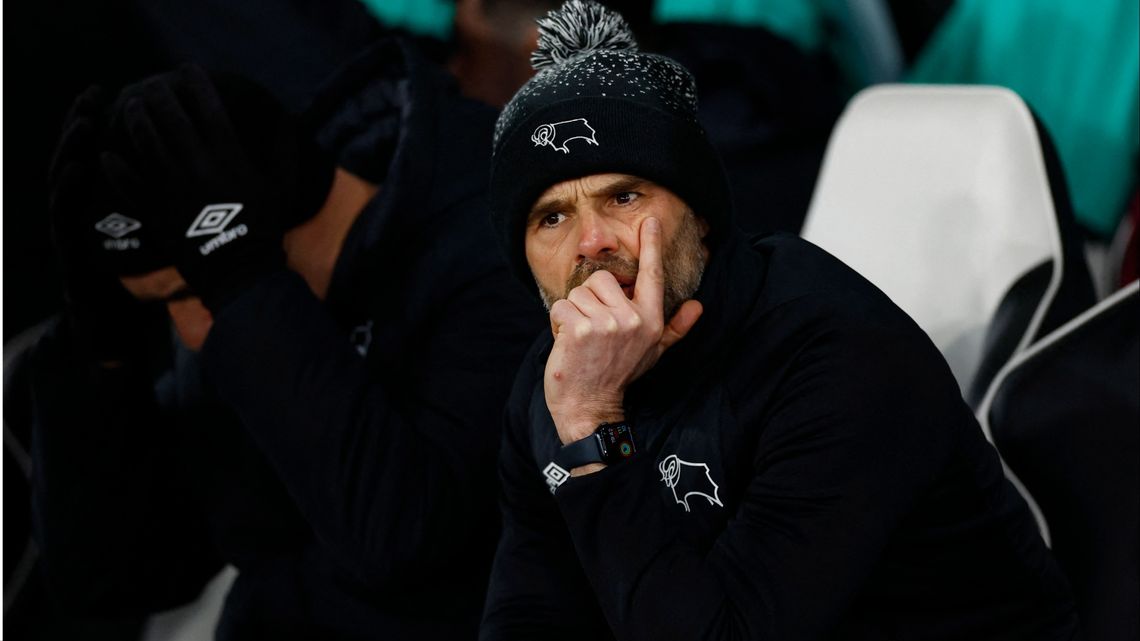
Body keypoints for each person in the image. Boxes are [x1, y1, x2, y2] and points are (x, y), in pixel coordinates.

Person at [479, 2, 1081, 639]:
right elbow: (531, 608)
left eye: (624, 196)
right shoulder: (558, 379)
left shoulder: (836, 356)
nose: (592, 241)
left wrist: (594, 426)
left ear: (700, 216)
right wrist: (587, 412)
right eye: (552, 217)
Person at [30, 39, 545, 640]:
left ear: (252, 238)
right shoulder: (237, 322)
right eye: (159, 305)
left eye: (187, 292)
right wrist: (97, 358)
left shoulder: (502, 252)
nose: (189, 334)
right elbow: (114, 578)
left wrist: (246, 289)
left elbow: (405, 543)